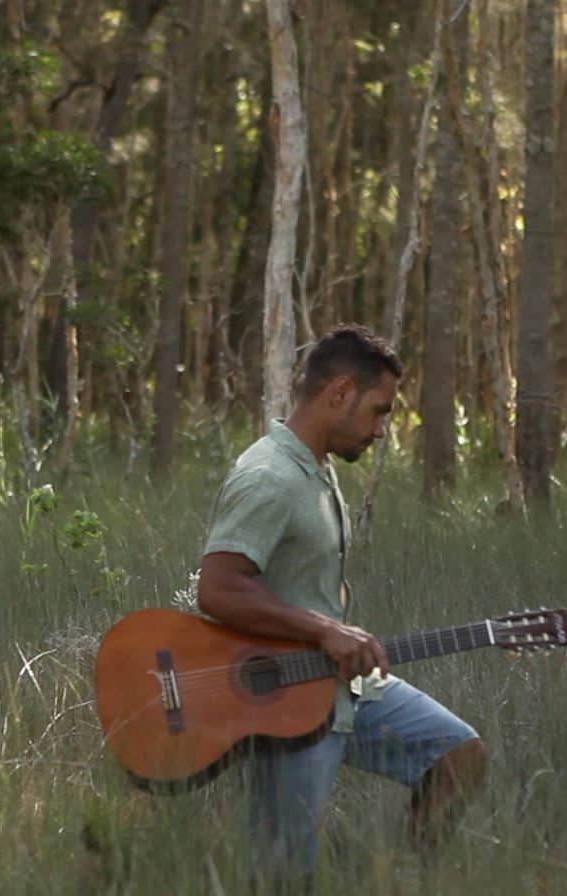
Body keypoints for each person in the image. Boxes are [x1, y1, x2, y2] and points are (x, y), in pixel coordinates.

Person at [195, 324, 487, 884]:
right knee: (284, 875)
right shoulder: (268, 475)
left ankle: (406, 878)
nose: (381, 431)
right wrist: (323, 629)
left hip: (343, 687)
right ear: (339, 393)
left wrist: (336, 634)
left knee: (460, 756)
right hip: (282, 705)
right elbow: (219, 586)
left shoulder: (317, 467)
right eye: (379, 412)